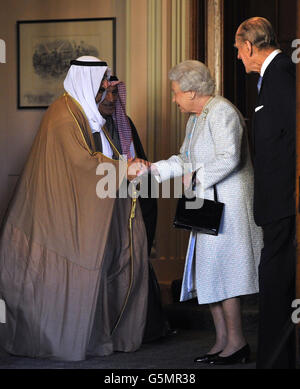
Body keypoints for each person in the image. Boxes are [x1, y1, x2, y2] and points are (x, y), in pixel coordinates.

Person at [0, 56, 149, 361]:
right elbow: (82, 163)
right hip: (50, 223)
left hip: (79, 215)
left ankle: (99, 337)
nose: (104, 92)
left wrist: (126, 167)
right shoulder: (64, 115)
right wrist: (125, 169)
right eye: (100, 86)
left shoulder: (82, 113)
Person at [149, 60, 263, 365]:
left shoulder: (223, 111)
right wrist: (153, 169)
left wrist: (195, 176)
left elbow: (231, 158)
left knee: (227, 276)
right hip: (208, 207)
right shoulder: (196, 119)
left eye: (175, 93)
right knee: (210, 274)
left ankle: (237, 344)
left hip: (229, 208)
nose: (173, 99)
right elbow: (183, 159)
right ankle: (223, 341)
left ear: (190, 92)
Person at [234, 17, 296, 369]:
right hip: (277, 202)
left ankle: (275, 362)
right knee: (274, 281)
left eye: (238, 50)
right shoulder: (271, 77)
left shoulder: (281, 73)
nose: (238, 58)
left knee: (276, 282)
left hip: (284, 201)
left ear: (250, 47)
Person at [97, 75, 169, 342]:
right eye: (106, 94)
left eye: (115, 94)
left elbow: (140, 167)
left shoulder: (124, 124)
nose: (112, 100)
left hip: (131, 204)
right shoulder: (85, 127)